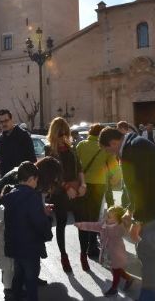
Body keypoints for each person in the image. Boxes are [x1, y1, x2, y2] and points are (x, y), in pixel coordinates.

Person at [99, 127, 155, 301]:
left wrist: (138, 221)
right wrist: (129, 209)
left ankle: (149, 295)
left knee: (145, 248)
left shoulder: (131, 150)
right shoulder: (133, 144)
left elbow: (142, 187)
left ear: (113, 143)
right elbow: (135, 187)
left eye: (108, 149)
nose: (110, 154)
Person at [3, 162, 53, 301]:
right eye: (36, 180)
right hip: (30, 246)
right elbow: (38, 222)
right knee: (31, 280)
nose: (37, 183)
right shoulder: (32, 197)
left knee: (18, 274)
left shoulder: (11, 195)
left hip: (14, 245)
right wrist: (47, 222)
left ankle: (15, 296)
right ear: (32, 178)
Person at [45, 117, 86, 273]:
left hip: (77, 190)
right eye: (60, 133)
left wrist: (83, 184)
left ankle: (84, 255)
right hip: (60, 192)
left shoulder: (72, 148)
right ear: (54, 133)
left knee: (82, 224)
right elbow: (52, 175)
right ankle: (64, 256)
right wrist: (67, 186)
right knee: (61, 223)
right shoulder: (50, 150)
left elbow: (80, 168)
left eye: (66, 133)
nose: (63, 137)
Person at [76, 123, 121, 260]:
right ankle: (92, 246)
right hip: (99, 184)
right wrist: (116, 179)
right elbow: (114, 165)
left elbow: (76, 164)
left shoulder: (81, 145)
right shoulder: (104, 147)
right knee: (94, 216)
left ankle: (83, 248)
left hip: (82, 184)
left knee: (83, 215)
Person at [75, 206, 135, 297]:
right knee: (114, 269)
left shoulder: (120, 227)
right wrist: (81, 225)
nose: (106, 218)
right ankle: (129, 278)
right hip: (107, 252)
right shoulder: (103, 225)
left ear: (118, 219)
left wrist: (128, 219)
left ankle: (114, 289)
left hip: (117, 253)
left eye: (109, 217)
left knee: (115, 270)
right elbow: (92, 225)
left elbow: (127, 227)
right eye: (107, 215)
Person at [0, 109, 37, 177]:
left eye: (6, 120)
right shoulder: (1, 138)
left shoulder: (23, 136)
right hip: (5, 179)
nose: (4, 124)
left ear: (11, 120)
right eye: (1, 122)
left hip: (21, 180)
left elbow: (32, 159)